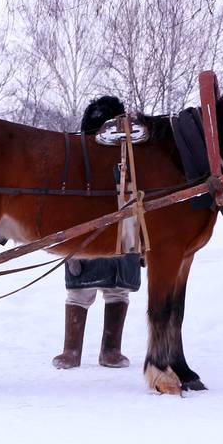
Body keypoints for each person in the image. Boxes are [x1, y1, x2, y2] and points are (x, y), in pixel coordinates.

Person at [53, 96, 136, 370]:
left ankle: (111, 350)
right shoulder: (79, 156)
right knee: (79, 291)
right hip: (87, 230)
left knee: (118, 289)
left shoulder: (131, 159)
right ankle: (71, 350)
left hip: (124, 231)